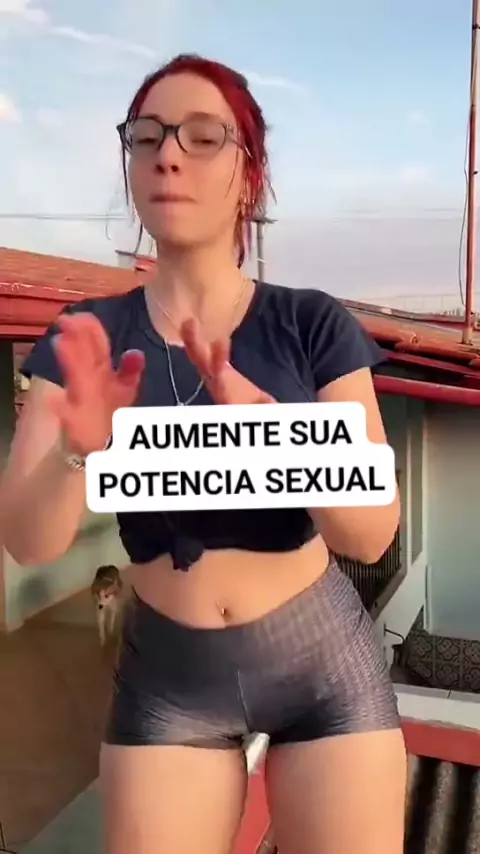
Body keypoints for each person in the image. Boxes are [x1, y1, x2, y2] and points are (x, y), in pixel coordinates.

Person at [2, 54, 406, 854]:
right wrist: (76, 450)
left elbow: (370, 536)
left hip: (322, 662)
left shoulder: (311, 325)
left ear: (249, 175)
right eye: (147, 136)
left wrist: (282, 431)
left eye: (202, 135)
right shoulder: (85, 338)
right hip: (168, 677)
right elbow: (29, 541)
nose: (168, 155)